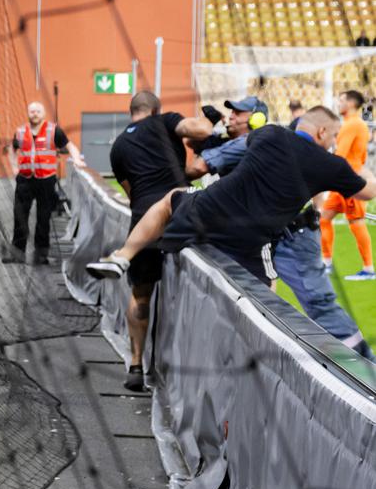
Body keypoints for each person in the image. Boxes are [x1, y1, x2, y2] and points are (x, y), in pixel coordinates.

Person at [88, 107, 376, 301]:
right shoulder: (331, 164)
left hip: (209, 210)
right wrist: (357, 163)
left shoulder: (269, 133)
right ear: (323, 133)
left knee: (168, 201)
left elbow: (249, 145)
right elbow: (368, 192)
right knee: (264, 293)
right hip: (251, 234)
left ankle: (122, 256)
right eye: (334, 134)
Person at [188, 97, 370, 358]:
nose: (231, 117)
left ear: (257, 118)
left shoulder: (269, 139)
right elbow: (199, 163)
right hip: (255, 237)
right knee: (253, 295)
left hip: (289, 236)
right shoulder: (252, 142)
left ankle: (359, 362)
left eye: (239, 113)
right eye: (231, 113)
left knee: (305, 300)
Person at [105, 90, 205, 390]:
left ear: (131, 111)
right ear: (156, 109)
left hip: (142, 221)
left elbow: (131, 191)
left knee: (141, 293)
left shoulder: (119, 145)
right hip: (179, 214)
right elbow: (199, 129)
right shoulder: (165, 122)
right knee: (193, 287)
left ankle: (135, 363)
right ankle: (185, 372)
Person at [4, 100, 84, 265]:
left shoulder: (54, 130)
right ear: (28, 113)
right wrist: (14, 168)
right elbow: (12, 150)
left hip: (46, 181)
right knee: (19, 217)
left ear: (43, 114)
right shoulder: (20, 131)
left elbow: (70, 146)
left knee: (43, 218)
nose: (34, 114)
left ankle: (41, 255)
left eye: (37, 111)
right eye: (31, 111)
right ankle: (17, 254)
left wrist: (76, 159)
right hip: (25, 180)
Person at [320, 90, 374, 280]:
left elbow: (341, 154)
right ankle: (326, 264)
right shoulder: (354, 124)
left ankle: (368, 269)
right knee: (325, 217)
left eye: (341, 100)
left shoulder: (353, 124)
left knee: (356, 222)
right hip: (344, 179)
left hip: (349, 181)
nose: (338, 102)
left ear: (350, 103)